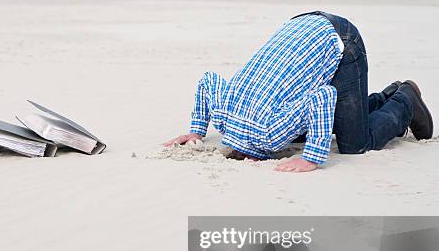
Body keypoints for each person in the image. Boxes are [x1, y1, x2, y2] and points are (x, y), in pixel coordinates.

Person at [164, 11, 433, 173]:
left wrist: (312, 158)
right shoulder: (223, 116)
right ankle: (385, 97)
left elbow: (324, 96)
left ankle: (405, 98)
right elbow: (208, 80)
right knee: (311, 127)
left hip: (340, 39)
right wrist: (196, 130)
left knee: (355, 144)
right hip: (300, 27)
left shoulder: (269, 135)